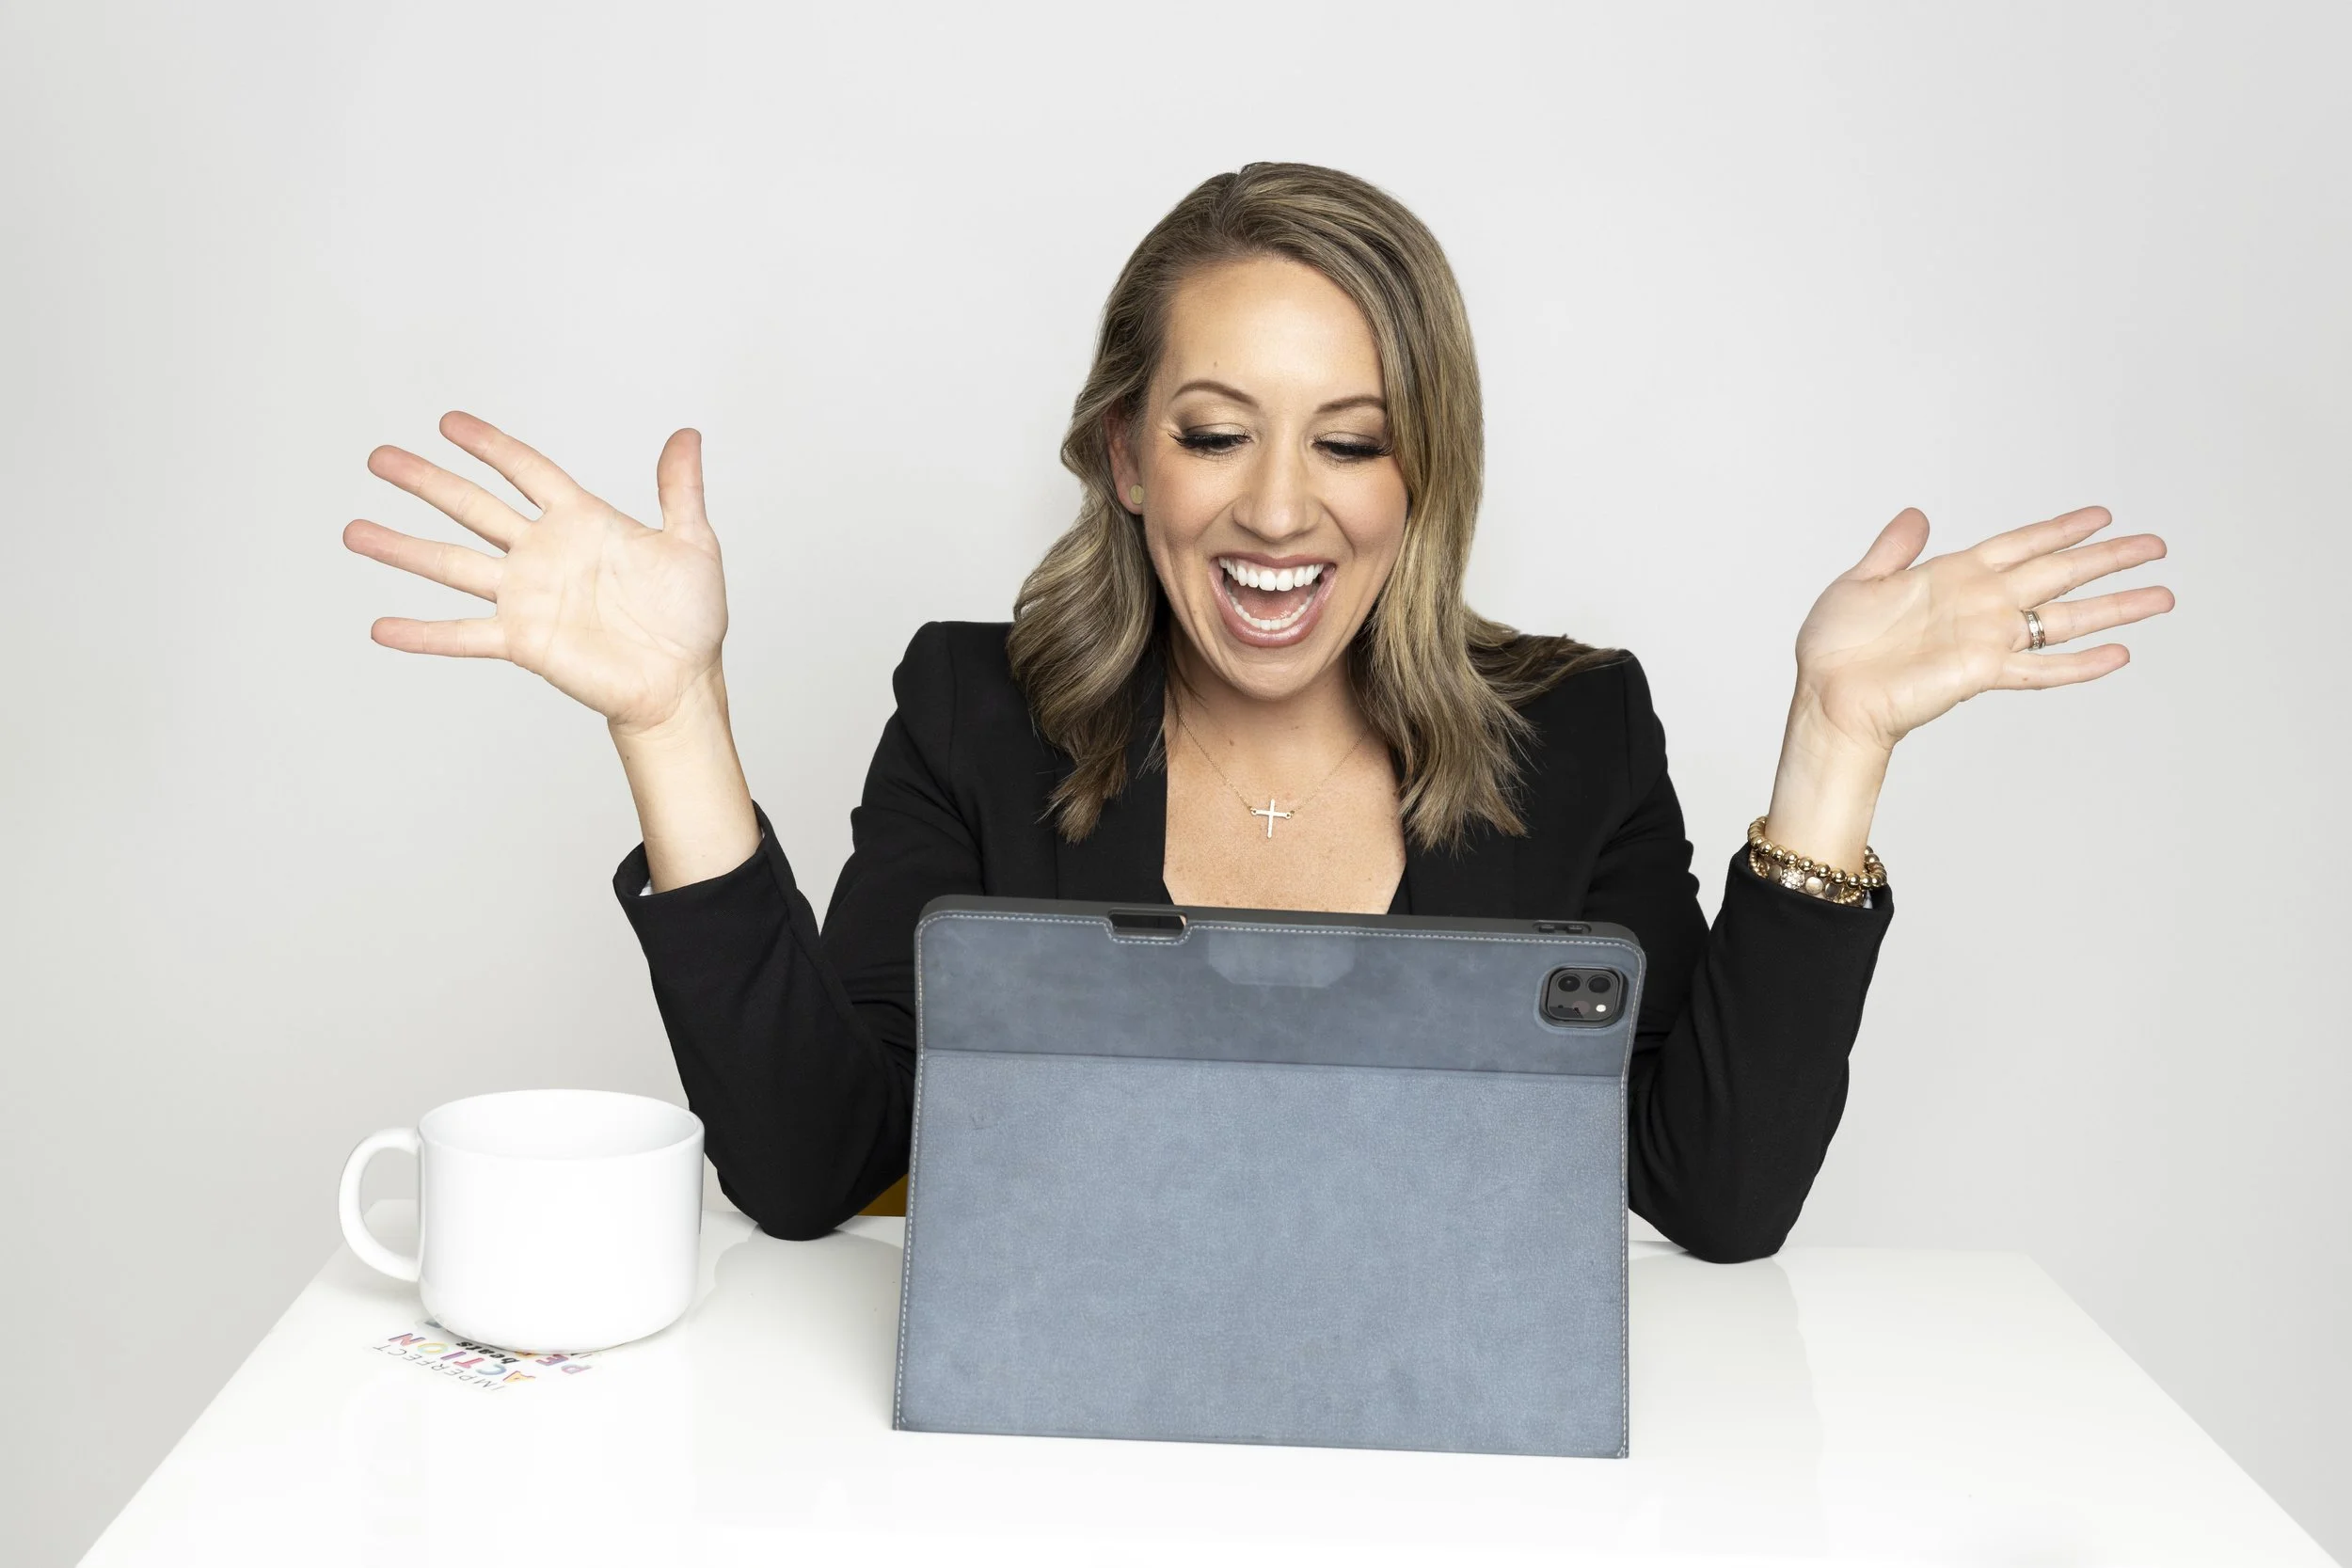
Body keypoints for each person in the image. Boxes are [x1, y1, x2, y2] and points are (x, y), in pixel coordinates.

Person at [342, 163, 2172, 1263]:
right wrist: (671, 718)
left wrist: (1834, 744)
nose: (1279, 506)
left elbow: (1712, 1197)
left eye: (1350, 441)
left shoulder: (1576, 733)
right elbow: (812, 1167)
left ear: (1419, 473)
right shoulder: (976, 709)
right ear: (1123, 456)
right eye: (1214, 432)